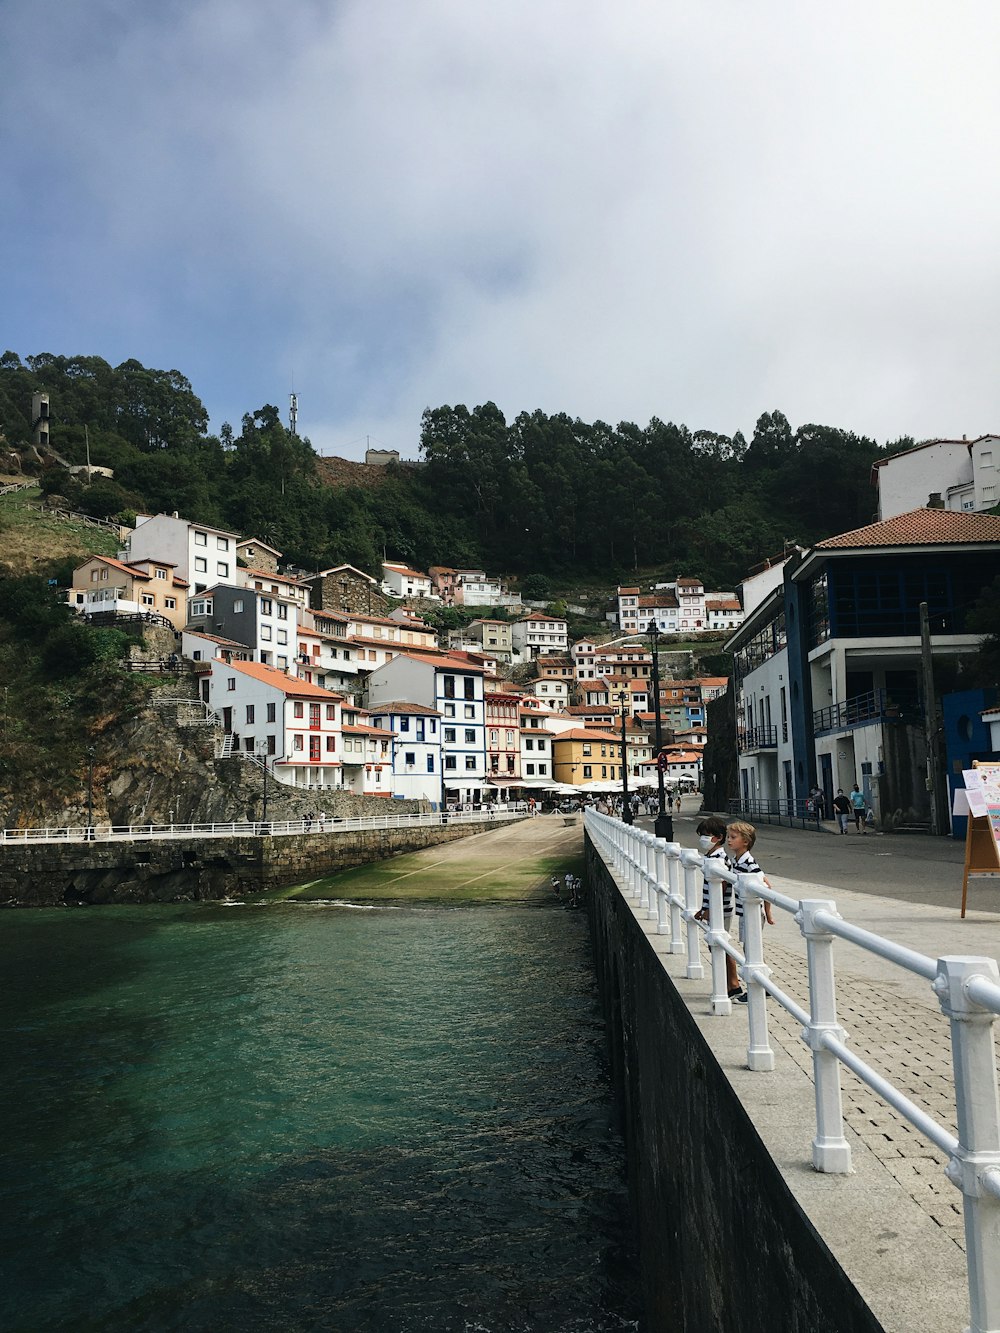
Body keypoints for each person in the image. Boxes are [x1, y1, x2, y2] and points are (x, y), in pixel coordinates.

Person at [726, 820, 774, 1003]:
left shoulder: (749, 862)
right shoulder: (735, 861)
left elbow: (766, 886)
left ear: (745, 841)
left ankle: (761, 986)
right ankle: (763, 985)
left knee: (752, 951)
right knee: (750, 949)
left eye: (733, 837)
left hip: (752, 913)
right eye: (729, 837)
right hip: (743, 911)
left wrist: (768, 914)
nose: (729, 841)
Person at [694, 815, 741, 999]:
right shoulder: (711, 856)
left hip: (721, 910)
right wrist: (704, 908)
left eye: (707, 835)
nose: (703, 839)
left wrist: (710, 909)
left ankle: (733, 984)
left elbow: (720, 885)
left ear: (718, 837)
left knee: (721, 945)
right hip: (715, 908)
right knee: (717, 945)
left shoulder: (719, 857)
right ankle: (730, 984)